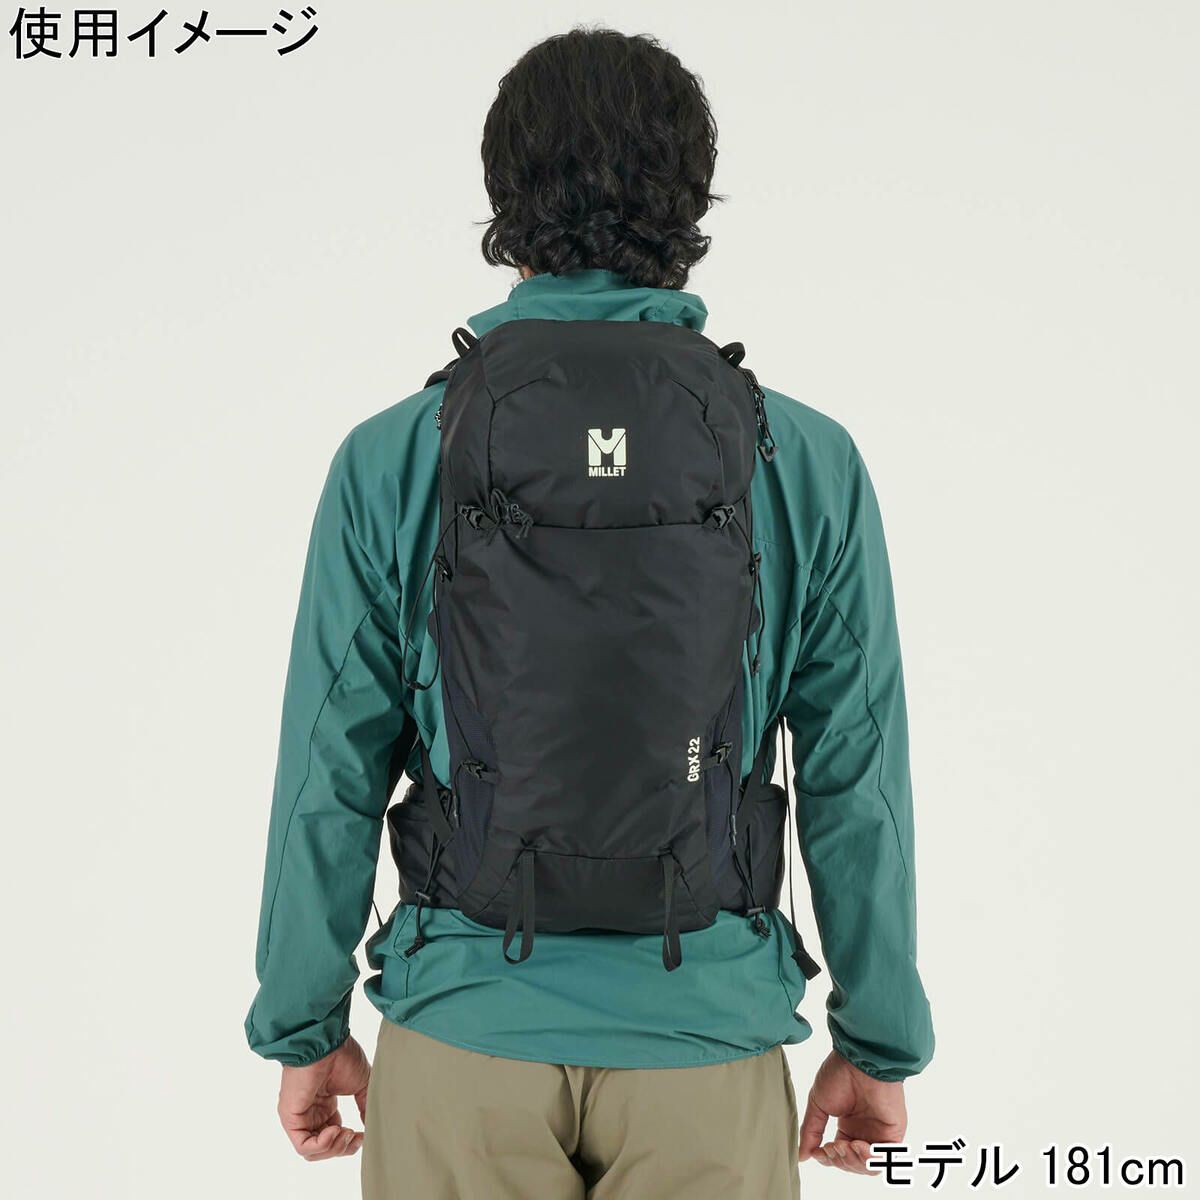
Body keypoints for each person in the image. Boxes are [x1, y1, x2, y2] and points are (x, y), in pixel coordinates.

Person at [245, 27, 933, 1199]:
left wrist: (304, 1026)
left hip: (463, 1035)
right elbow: (855, 778)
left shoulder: (395, 455)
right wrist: (877, 1043)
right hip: (706, 1035)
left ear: (504, 200)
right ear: (691, 201)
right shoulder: (803, 457)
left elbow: (329, 770)